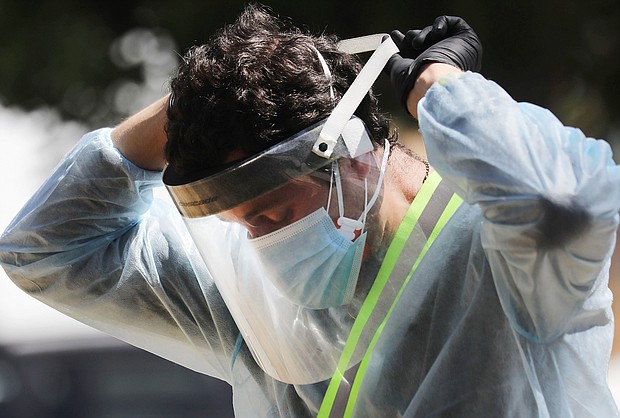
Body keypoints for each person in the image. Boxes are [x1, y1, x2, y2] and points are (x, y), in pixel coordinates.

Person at [1, 5, 619, 417]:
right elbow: (45, 250)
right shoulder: (256, 301)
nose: (258, 240)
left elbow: (571, 205)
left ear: (351, 156)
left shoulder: (505, 257)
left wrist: (441, 89)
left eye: (269, 212)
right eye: (237, 223)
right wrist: (202, 97)